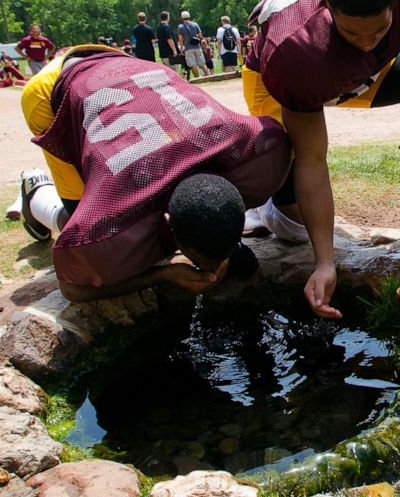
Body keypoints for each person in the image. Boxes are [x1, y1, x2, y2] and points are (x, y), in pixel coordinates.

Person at [241, 0, 400, 318]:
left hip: (358, 72)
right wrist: (325, 261)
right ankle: (260, 202)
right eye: (351, 31)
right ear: (329, 10)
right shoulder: (294, 50)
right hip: (286, 78)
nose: (366, 42)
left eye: (380, 29)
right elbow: (312, 160)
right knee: (295, 229)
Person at [17, 45, 297, 303]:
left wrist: (226, 246)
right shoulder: (120, 207)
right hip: (54, 89)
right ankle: (36, 197)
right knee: (78, 216)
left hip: (128, 66)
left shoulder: (261, 155)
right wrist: (161, 274)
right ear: (165, 222)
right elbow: (72, 288)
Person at [177, 10, 206, 78]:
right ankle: (208, 76)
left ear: (182, 18)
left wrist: (181, 48)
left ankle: (197, 78)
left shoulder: (180, 27)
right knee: (202, 63)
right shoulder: (195, 24)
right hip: (197, 46)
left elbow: (180, 38)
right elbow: (200, 35)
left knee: (193, 64)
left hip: (188, 47)